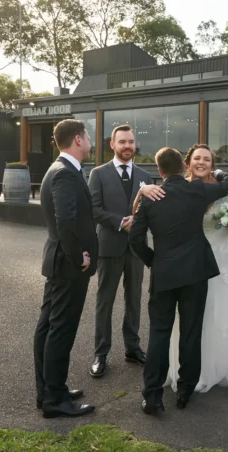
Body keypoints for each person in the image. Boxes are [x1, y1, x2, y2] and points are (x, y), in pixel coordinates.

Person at [137, 144, 228, 394]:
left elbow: (135, 236)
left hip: (197, 263)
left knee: (165, 329)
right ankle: (187, 387)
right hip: (197, 267)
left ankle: (153, 392)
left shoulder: (168, 192)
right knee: (190, 329)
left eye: (207, 159)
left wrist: (153, 261)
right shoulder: (194, 190)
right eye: (197, 158)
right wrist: (142, 189)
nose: (202, 162)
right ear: (186, 164)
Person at [34, 119, 98, 418]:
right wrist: (78, 258)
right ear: (78, 139)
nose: (90, 141)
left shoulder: (60, 169)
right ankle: (55, 399)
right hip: (68, 265)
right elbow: (65, 221)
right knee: (60, 330)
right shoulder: (65, 173)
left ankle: (48, 390)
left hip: (59, 261)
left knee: (49, 327)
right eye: (88, 136)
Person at [87, 124, 155, 378]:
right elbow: (93, 209)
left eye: (131, 142)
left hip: (136, 249)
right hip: (109, 247)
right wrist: (120, 222)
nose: (128, 146)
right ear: (112, 145)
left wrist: (138, 222)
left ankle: (132, 348)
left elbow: (152, 210)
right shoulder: (98, 174)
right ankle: (101, 353)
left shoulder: (145, 176)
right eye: (122, 142)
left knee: (135, 299)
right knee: (105, 301)